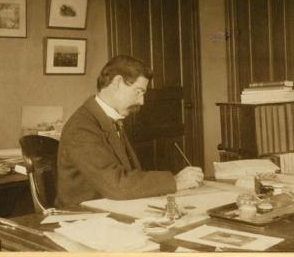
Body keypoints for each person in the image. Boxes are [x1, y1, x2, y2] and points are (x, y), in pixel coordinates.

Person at [55, 55, 204, 207]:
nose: (142, 101)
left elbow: (130, 175)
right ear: (118, 82)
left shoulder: (109, 118)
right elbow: (117, 185)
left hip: (111, 208)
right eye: (139, 92)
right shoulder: (81, 127)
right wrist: (174, 181)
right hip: (83, 217)